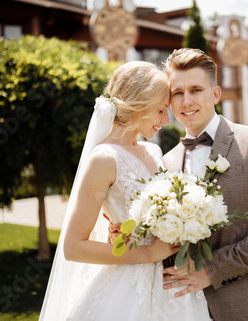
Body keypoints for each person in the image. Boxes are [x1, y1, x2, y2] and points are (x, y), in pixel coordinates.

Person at [39, 61, 211, 320]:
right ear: (138, 105)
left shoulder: (153, 151)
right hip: (127, 286)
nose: (165, 120)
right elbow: (73, 247)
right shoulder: (104, 159)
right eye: (160, 110)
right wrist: (148, 253)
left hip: (171, 281)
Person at [161, 48, 248, 321]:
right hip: (186, 308)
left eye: (196, 89)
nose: (186, 101)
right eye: (177, 92)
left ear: (215, 94)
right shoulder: (166, 162)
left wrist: (211, 271)